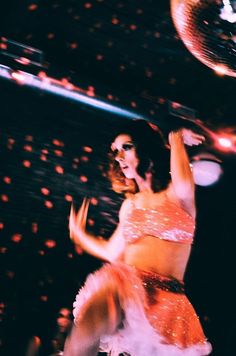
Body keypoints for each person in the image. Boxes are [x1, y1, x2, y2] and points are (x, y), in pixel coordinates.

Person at [63, 119, 212, 356]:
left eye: (126, 147)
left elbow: (183, 179)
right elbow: (112, 253)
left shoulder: (177, 195)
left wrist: (175, 138)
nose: (118, 156)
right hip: (125, 289)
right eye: (115, 151)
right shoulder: (129, 205)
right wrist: (80, 236)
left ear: (147, 148)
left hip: (167, 301)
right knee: (81, 340)